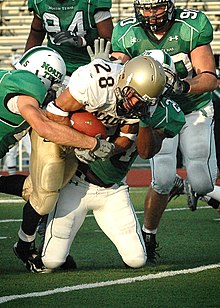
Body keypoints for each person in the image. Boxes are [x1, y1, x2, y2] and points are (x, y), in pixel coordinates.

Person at [33, 54, 185, 273]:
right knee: (51, 262)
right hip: (76, 182)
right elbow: (54, 112)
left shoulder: (153, 109)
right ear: (124, 77)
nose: (133, 104)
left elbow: (140, 149)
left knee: (136, 260)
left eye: (142, 102)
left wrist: (136, 125)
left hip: (112, 189)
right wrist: (81, 143)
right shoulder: (96, 82)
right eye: (133, 96)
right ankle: (41, 223)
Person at [111, 0, 218, 262]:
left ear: (169, 6)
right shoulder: (126, 33)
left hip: (193, 108)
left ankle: (191, 188)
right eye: (146, 8)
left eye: (157, 7)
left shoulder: (189, 27)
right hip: (157, 110)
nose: (151, 14)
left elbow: (210, 77)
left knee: (204, 182)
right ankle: (149, 237)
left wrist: (181, 86)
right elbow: (117, 73)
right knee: (162, 180)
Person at [0, 45, 114, 272]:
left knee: (38, 190)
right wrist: (92, 143)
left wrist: (99, 68)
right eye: (52, 85)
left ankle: (25, 244)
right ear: (43, 78)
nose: (54, 91)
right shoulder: (28, 84)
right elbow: (43, 127)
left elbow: (71, 91)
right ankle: (25, 245)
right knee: (43, 192)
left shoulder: (17, 79)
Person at [25, 0, 113, 85]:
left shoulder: (91, 2)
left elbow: (110, 42)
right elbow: (36, 34)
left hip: (89, 69)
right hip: (55, 70)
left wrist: (82, 41)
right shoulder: (39, 2)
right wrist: (25, 64)